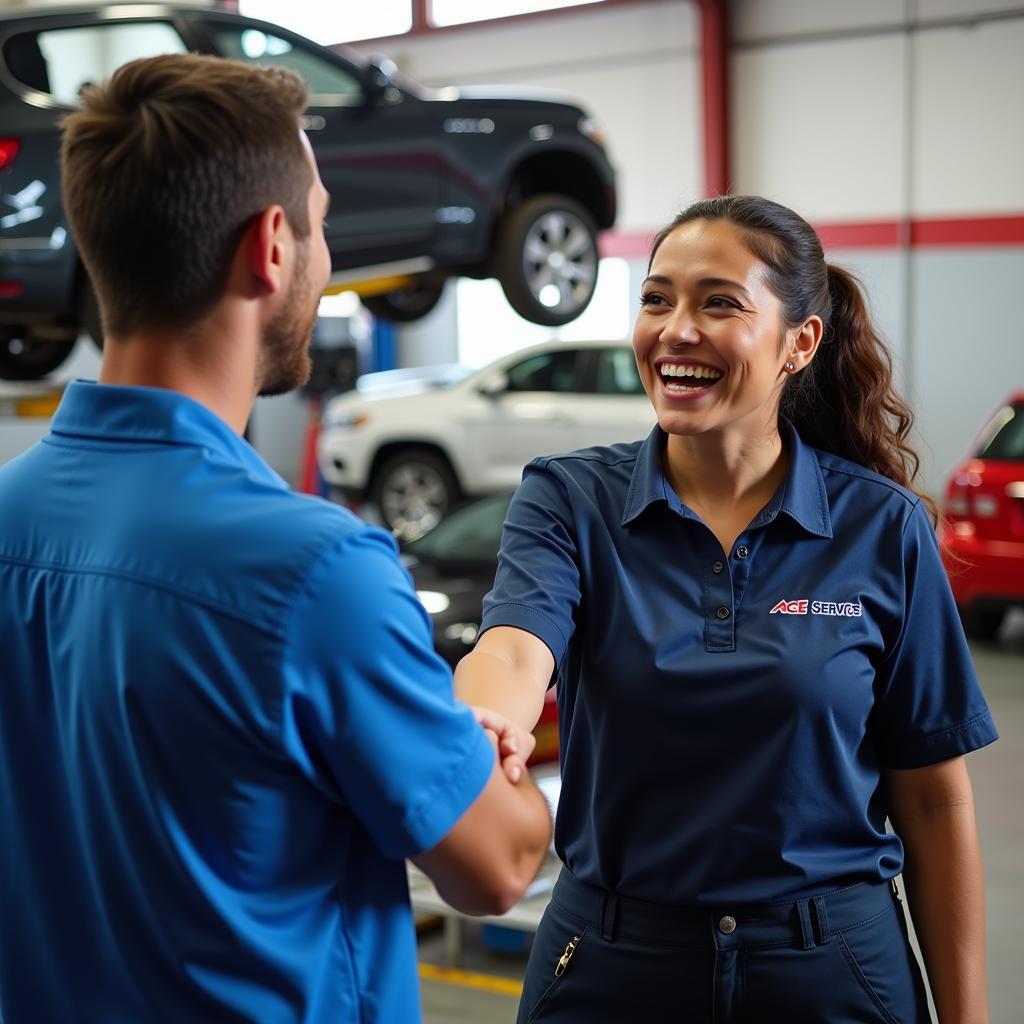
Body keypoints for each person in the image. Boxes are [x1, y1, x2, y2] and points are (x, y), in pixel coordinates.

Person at [0, 54, 552, 1024]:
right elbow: (498, 863)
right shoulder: (313, 574)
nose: (326, 254)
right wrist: (480, 746)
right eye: (322, 222)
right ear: (271, 247)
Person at [456, 194, 998, 1023]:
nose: (675, 328)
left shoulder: (881, 527)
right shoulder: (569, 499)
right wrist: (488, 718)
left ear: (799, 344)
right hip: (611, 964)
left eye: (719, 303)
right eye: (655, 298)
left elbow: (932, 797)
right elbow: (515, 646)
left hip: (833, 971)